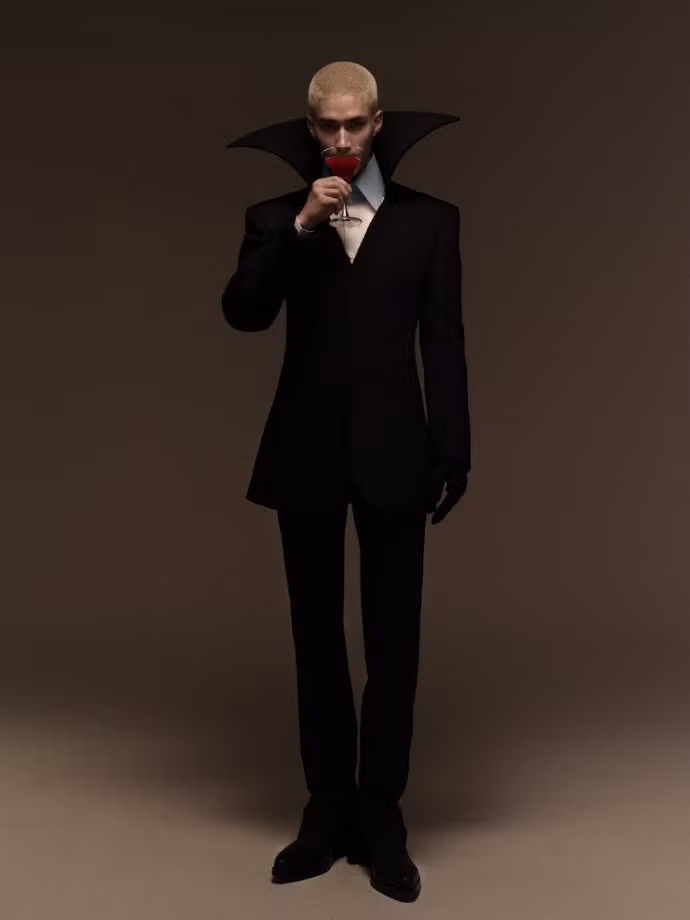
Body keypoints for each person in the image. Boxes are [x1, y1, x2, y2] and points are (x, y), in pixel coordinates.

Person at [222, 61, 471, 903]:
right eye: (326, 127)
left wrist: (454, 448)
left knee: (395, 643)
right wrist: (299, 225)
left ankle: (382, 817)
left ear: (377, 123)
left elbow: (444, 342)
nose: (340, 140)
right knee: (317, 640)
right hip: (307, 453)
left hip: (400, 453)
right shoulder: (273, 219)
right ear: (310, 129)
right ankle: (326, 810)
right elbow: (243, 314)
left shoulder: (431, 222)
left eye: (353, 125)